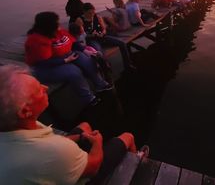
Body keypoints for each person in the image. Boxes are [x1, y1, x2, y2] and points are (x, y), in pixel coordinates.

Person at [0, 65, 149, 184]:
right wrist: (97, 143)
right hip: (83, 174)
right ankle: (136, 160)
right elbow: (93, 167)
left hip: (44, 162)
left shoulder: (15, 126)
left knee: (85, 126)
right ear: (25, 111)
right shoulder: (54, 150)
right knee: (127, 136)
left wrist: (79, 137)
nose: (45, 87)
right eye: (38, 89)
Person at [25, 12, 112, 106]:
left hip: (66, 56)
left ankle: (100, 84)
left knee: (87, 60)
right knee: (74, 71)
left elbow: (73, 42)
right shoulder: (37, 40)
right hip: (46, 67)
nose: (59, 23)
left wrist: (85, 50)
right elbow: (43, 62)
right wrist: (65, 61)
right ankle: (88, 98)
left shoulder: (58, 31)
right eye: (57, 22)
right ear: (49, 25)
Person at [75, 3, 134, 70]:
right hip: (92, 40)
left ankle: (128, 65)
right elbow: (80, 35)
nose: (92, 14)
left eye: (93, 12)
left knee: (122, 44)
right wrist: (92, 35)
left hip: (102, 37)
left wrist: (103, 33)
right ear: (84, 12)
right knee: (100, 53)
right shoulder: (80, 20)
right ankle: (107, 70)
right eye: (89, 13)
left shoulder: (97, 17)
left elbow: (104, 29)